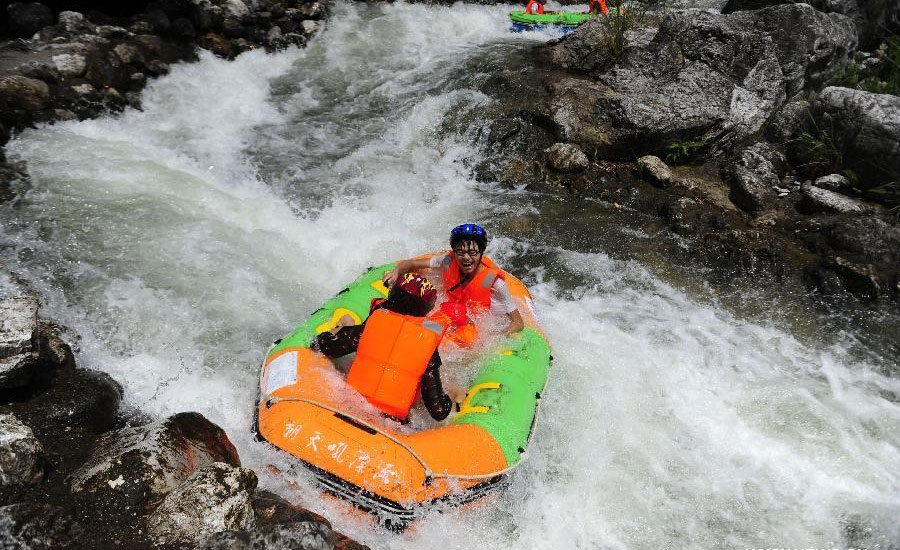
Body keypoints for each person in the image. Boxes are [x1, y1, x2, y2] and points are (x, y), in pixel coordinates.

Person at [312, 272, 453, 422]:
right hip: (390, 423)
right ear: (424, 310)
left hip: (351, 406)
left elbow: (325, 346)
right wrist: (449, 402)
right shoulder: (428, 346)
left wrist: (326, 335)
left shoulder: (372, 326)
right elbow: (439, 411)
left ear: (393, 295)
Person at [383, 224, 525, 337]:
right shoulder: (447, 261)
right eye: (460, 252)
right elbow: (412, 264)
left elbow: (518, 323)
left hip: (472, 330)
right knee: (423, 328)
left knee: (462, 339)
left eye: (472, 252)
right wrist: (395, 272)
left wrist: (493, 338)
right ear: (455, 252)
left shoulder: (496, 284)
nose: (466, 258)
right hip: (449, 316)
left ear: (481, 253)